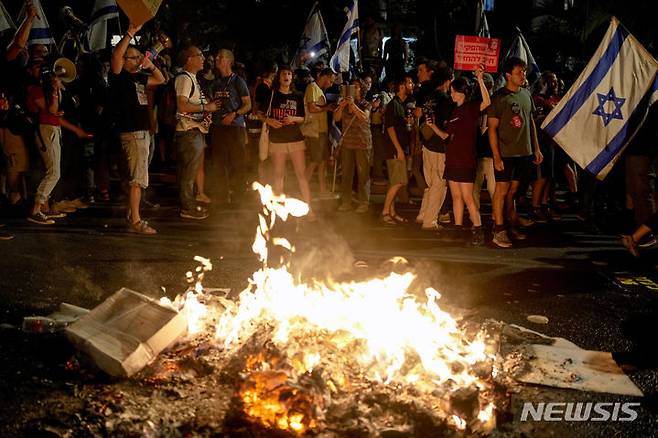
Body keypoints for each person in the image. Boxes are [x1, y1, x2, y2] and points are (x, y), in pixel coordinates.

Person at [110, 21, 166, 234]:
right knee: (138, 179)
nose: (138, 60)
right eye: (134, 57)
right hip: (133, 132)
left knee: (137, 177)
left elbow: (161, 79)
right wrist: (130, 33)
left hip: (141, 132)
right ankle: (135, 220)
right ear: (125, 61)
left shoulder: (139, 79)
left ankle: (130, 215)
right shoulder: (119, 77)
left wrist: (149, 64)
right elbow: (116, 56)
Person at [487, 57, 543, 248]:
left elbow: (530, 122)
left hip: (523, 153)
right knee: (501, 191)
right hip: (505, 154)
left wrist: (535, 148)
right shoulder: (498, 98)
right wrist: (496, 156)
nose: (523, 75)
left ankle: (511, 224)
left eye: (524, 72)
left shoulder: (526, 94)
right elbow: (492, 129)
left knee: (513, 191)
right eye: (519, 72)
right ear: (508, 75)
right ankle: (498, 229)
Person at [26, 62, 90, 225]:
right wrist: (55, 91)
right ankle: (36, 209)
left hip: (52, 131)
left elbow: (55, 114)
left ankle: (44, 208)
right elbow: (53, 111)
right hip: (46, 131)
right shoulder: (37, 90)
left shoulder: (50, 90)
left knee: (53, 171)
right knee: (54, 173)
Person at [441, 69, 491, 246]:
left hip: (466, 161)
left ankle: (478, 230)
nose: (451, 93)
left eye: (454, 91)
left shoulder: (471, 108)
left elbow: (487, 101)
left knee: (467, 197)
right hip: (453, 160)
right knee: (455, 197)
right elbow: (448, 136)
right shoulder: (454, 112)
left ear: (463, 92)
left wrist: (479, 79)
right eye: (451, 91)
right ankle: (458, 228)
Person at [262, 66, 314, 219]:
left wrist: (293, 119)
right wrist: (269, 120)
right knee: (278, 175)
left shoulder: (297, 96)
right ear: (279, 77)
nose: (286, 76)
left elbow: (303, 118)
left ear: (292, 78)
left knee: (301, 175)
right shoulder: (272, 95)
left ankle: (309, 209)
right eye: (284, 73)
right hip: (277, 140)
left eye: (289, 74)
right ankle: (278, 211)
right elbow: (259, 114)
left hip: (295, 139)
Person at [174, 46, 219, 220]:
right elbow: (182, 105)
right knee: (188, 173)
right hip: (188, 133)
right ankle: (187, 207)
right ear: (189, 59)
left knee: (190, 171)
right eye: (199, 55)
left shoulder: (192, 79)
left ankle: (189, 203)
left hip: (194, 132)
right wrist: (206, 107)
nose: (203, 58)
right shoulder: (185, 79)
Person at [208, 49, 251, 204]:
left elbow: (248, 105)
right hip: (218, 128)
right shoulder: (216, 83)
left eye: (220, 57)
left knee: (237, 162)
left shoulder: (238, 81)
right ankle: (222, 195)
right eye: (217, 56)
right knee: (219, 163)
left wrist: (234, 114)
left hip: (235, 128)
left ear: (228, 61)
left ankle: (239, 195)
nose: (216, 59)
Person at [416, 66, 454, 230]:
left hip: (427, 145)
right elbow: (447, 125)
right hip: (439, 147)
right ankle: (430, 221)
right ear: (447, 81)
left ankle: (423, 214)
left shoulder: (428, 97)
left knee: (431, 184)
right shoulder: (445, 100)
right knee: (439, 185)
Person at [334, 79, 372, 213]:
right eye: (351, 87)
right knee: (346, 174)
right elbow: (337, 118)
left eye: (356, 87)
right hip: (347, 143)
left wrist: (353, 105)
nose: (354, 89)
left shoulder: (365, 104)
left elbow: (364, 117)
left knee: (363, 174)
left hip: (362, 143)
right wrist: (342, 106)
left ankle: (364, 202)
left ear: (361, 89)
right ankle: (346, 202)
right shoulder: (343, 103)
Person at [380, 75, 414, 225]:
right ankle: (385, 212)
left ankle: (392, 212)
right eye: (410, 83)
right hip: (395, 149)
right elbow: (390, 127)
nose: (412, 85)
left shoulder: (401, 105)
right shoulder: (393, 104)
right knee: (399, 181)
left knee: (394, 181)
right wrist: (399, 149)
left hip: (400, 148)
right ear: (402, 86)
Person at [303, 68, 336, 197]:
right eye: (331, 81)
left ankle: (322, 190)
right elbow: (311, 108)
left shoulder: (320, 90)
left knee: (322, 162)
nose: (331, 84)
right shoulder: (312, 87)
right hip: (314, 131)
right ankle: (303, 188)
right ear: (325, 77)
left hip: (321, 131)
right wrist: (327, 108)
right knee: (315, 160)